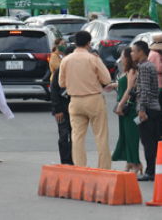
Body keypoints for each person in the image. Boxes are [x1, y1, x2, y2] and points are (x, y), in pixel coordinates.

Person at [58, 30, 112, 169]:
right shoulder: (93, 58)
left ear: (75, 43)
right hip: (93, 99)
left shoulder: (66, 60)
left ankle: (80, 168)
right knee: (101, 137)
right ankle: (103, 169)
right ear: (88, 43)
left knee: (77, 137)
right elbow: (106, 79)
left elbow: (61, 84)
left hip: (75, 100)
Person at [131, 40, 160, 181]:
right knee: (154, 141)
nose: (131, 54)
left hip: (146, 108)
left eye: (133, 51)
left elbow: (144, 90)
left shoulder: (143, 67)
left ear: (140, 52)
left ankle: (150, 171)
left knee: (147, 141)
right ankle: (154, 169)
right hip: (155, 107)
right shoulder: (151, 66)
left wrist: (141, 109)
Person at [111, 47, 142, 174]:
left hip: (131, 108)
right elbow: (124, 84)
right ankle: (130, 161)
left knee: (132, 136)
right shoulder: (127, 71)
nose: (121, 58)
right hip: (125, 109)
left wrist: (120, 105)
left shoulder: (132, 70)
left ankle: (136, 163)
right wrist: (112, 85)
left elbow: (130, 89)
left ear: (128, 57)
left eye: (123, 55)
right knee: (125, 135)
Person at [50, 44, 76, 165]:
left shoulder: (79, 71)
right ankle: (65, 162)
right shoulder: (60, 71)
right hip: (63, 111)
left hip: (76, 110)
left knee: (76, 138)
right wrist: (57, 110)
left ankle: (74, 160)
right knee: (63, 137)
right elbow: (54, 91)